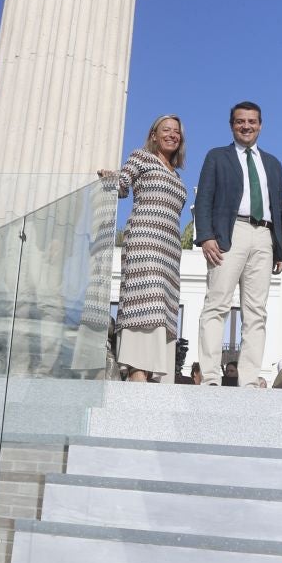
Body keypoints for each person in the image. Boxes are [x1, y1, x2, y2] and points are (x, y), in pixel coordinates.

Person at [194, 103, 282, 387]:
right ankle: (210, 376)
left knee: (256, 311)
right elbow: (204, 198)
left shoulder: (272, 163)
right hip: (228, 233)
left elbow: (277, 207)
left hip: (264, 236)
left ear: (261, 125)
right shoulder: (217, 156)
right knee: (217, 304)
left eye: (252, 121)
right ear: (231, 125)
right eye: (240, 121)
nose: (246, 126)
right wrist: (206, 235)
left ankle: (248, 379)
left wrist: (279, 248)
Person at [99, 115, 188, 383]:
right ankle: (137, 374)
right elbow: (123, 184)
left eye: (177, 132)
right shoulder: (141, 157)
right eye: (166, 130)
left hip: (170, 249)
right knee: (144, 302)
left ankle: (152, 375)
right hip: (144, 241)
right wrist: (109, 178)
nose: (172, 135)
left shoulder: (177, 174)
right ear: (153, 135)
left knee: (162, 308)